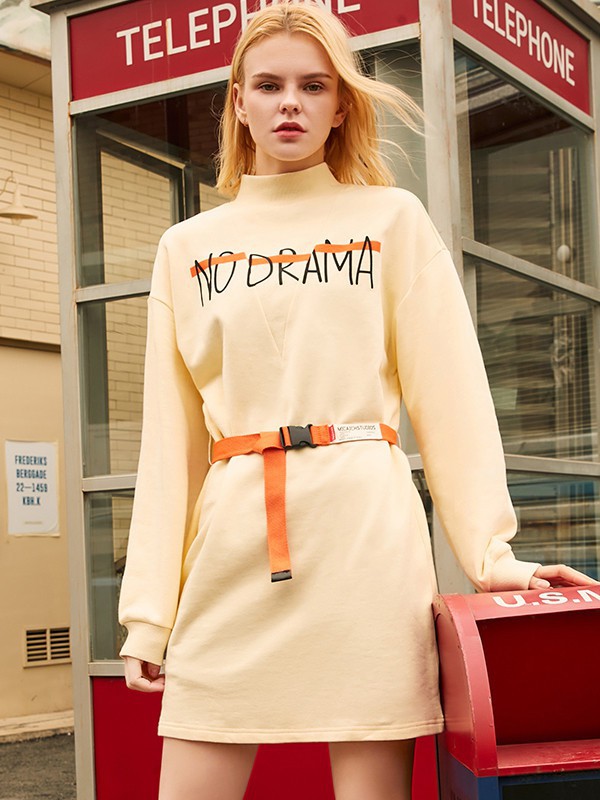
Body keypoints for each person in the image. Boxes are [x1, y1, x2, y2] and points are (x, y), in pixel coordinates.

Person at [118, 3, 597, 799]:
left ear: (342, 104)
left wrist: (493, 557)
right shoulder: (187, 247)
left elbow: (452, 398)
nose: (291, 104)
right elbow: (169, 445)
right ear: (238, 101)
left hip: (366, 544)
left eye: (314, 86)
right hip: (234, 547)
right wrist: (148, 613)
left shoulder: (391, 219)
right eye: (269, 85)